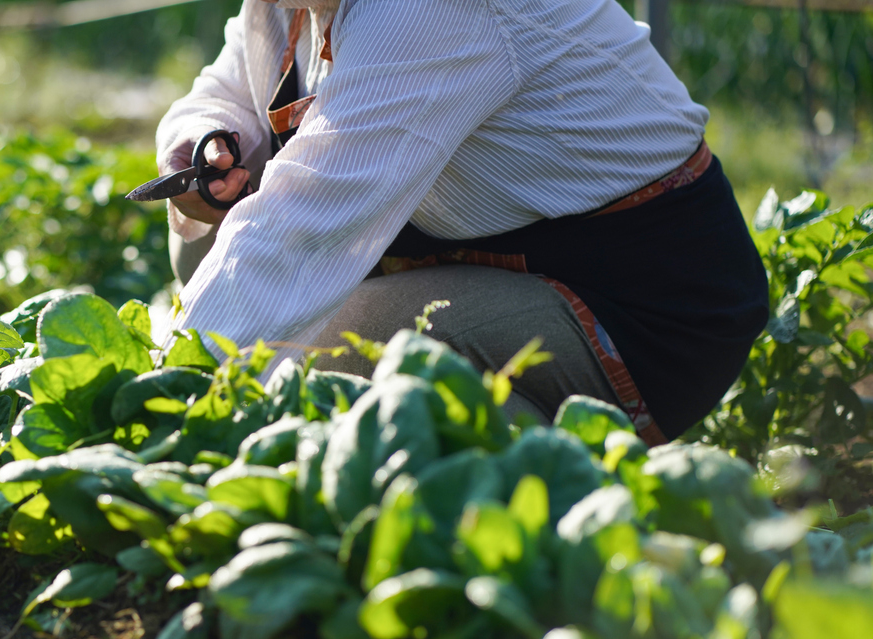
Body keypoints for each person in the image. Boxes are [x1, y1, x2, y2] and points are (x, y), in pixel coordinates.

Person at [152, 0, 768, 444]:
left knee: (322, 346)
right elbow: (224, 85)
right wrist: (201, 139)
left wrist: (153, 404)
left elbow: (297, 226)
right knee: (209, 253)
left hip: (644, 303)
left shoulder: (435, 10)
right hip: (486, 255)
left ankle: (547, 475)